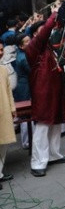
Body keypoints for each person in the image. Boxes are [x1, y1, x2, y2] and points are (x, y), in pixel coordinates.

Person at [24, 3, 65, 177]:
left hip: (55, 91)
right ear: (37, 34)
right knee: (43, 125)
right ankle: (38, 162)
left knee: (56, 124)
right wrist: (53, 14)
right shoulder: (34, 47)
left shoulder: (48, 48)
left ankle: (53, 155)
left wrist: (62, 10)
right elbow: (46, 32)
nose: (48, 32)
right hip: (43, 92)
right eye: (44, 30)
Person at [0, 42, 16, 186]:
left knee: (4, 144)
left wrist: (12, 108)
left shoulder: (4, 69)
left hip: (4, 111)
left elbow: (8, 90)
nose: (0, 52)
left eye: (1, 49)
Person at [13, 33, 31, 149]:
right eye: (27, 42)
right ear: (21, 46)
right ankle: (26, 142)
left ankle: (27, 141)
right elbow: (31, 71)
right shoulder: (24, 58)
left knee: (24, 116)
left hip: (21, 86)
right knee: (25, 116)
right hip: (24, 87)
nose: (30, 43)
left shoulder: (20, 55)